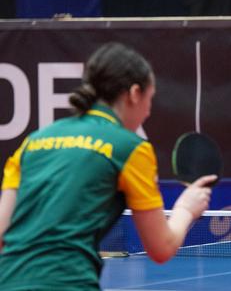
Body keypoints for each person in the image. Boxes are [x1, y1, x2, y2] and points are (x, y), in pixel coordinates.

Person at [0, 42, 217, 290]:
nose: (148, 112)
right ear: (134, 93)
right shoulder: (131, 148)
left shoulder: (33, 143)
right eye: (150, 99)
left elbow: (1, 235)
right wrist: (186, 208)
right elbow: (161, 248)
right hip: (67, 282)